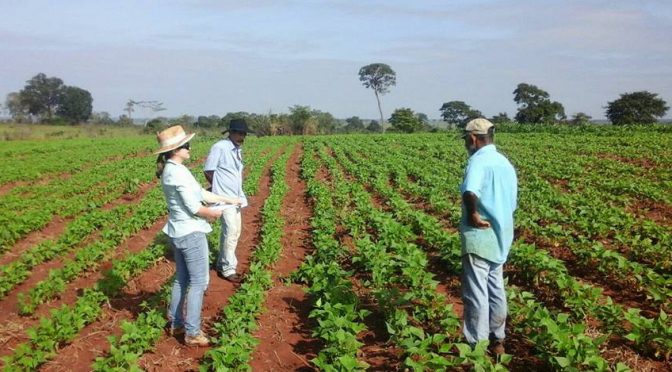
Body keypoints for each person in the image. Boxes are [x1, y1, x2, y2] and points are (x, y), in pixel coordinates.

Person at [155, 125, 241, 347]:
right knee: (199, 282)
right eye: (186, 145)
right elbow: (195, 207)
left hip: (178, 231)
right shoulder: (176, 172)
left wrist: (229, 199)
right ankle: (192, 332)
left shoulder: (175, 169)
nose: (190, 148)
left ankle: (176, 322)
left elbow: (200, 193)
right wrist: (213, 213)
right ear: (177, 149)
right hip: (191, 232)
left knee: (182, 279)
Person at [459, 118, 517, 355]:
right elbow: (512, 202)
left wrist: (473, 214)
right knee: (495, 287)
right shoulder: (504, 163)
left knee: (476, 292)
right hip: (501, 234)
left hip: (480, 235)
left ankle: (476, 344)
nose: (465, 143)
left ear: (473, 138)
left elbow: (470, 191)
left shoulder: (478, 161)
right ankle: (498, 339)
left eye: (466, 139)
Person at [204, 118, 252, 283]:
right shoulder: (220, 147)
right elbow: (209, 170)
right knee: (230, 231)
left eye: (244, 134)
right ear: (231, 133)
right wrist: (217, 191)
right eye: (239, 133)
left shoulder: (236, 149)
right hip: (225, 199)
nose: (242, 137)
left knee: (236, 232)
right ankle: (227, 269)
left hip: (236, 198)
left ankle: (221, 262)